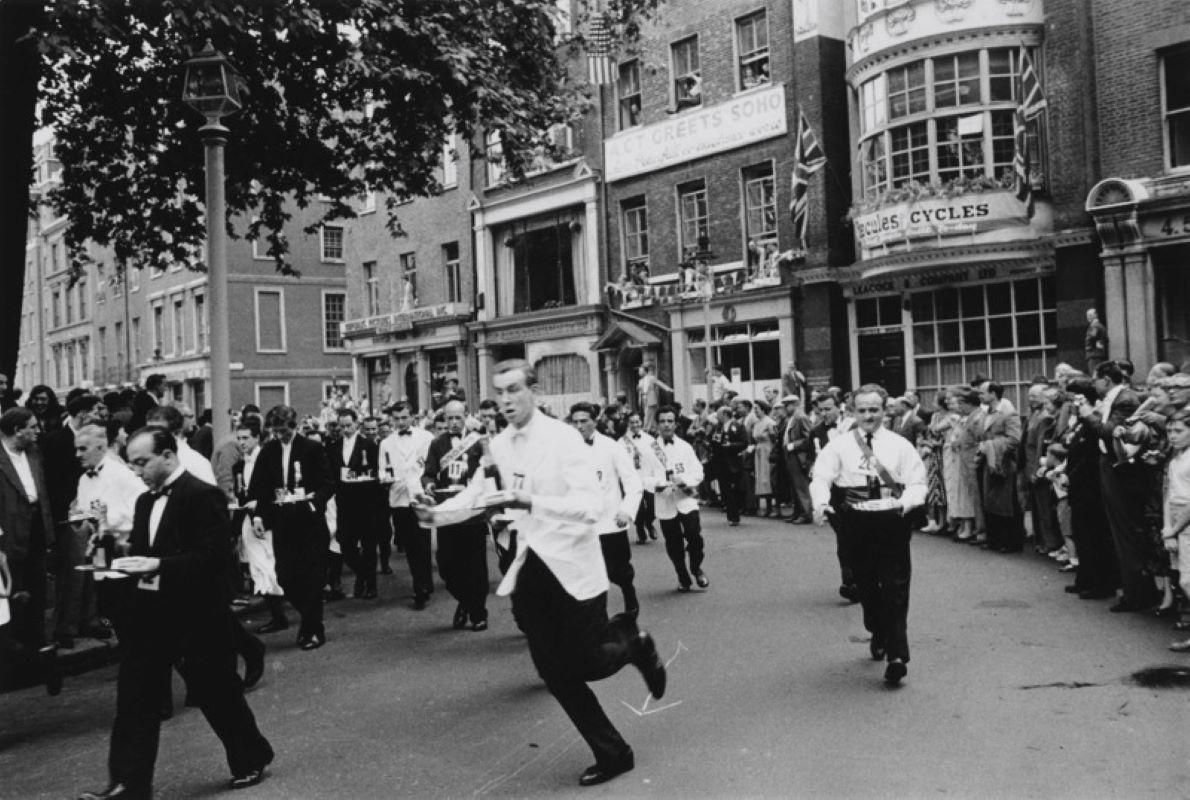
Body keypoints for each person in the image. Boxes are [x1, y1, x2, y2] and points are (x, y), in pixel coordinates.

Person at [413, 360, 666, 787]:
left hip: (572, 565)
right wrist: (434, 514)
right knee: (553, 671)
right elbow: (480, 492)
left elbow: (591, 508)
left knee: (589, 661)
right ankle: (613, 752)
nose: (506, 401)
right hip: (531, 567)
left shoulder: (564, 439)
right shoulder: (499, 444)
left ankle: (633, 642)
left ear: (534, 390)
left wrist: (530, 502)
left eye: (514, 390)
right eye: (499, 393)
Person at [79, 428, 274, 799]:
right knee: (135, 697)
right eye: (132, 463)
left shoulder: (203, 497)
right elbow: (142, 549)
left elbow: (214, 558)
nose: (136, 471)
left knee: (216, 691)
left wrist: (157, 564)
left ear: (168, 456)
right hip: (151, 615)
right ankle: (128, 784)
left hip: (197, 614)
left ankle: (251, 756)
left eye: (142, 462)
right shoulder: (144, 502)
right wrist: (111, 545)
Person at [810, 384, 927, 687]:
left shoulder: (900, 445)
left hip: (891, 519)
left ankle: (898, 656)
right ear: (852, 412)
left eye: (874, 409)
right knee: (866, 584)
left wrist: (906, 502)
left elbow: (917, 482)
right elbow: (821, 476)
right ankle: (877, 629)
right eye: (862, 410)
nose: (868, 415)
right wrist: (822, 504)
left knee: (896, 587)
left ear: (885, 410)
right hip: (856, 521)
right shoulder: (839, 446)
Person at [246, 405, 333, 650]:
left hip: (309, 522)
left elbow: (327, 483)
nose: (279, 435)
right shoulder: (268, 451)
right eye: (275, 431)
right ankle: (309, 620)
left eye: (283, 430)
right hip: (283, 522)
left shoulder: (312, 448)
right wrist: (258, 516)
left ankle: (313, 629)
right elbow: (259, 488)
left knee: (313, 579)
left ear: (293, 426)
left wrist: (314, 502)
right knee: (286, 576)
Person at [1082, 362, 1157, 612]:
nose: (1093, 384)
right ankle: (1130, 589)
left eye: (1095, 380)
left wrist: (1088, 414)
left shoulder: (1125, 400)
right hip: (1109, 467)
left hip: (1120, 472)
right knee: (1118, 531)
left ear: (1106, 379)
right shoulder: (1115, 399)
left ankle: (1137, 594)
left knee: (1125, 531)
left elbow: (1111, 431)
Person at [0, 407, 60, 694]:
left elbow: (42, 490)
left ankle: (37, 657)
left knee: (37, 593)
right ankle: (17, 661)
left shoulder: (34, 453)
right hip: (8, 532)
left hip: (37, 525)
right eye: (32, 427)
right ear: (16, 430)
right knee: (13, 596)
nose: (37, 432)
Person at [569, 402, 643, 617]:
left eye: (584, 421)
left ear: (595, 422)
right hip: (582, 524)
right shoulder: (566, 450)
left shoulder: (611, 446)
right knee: (587, 575)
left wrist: (626, 511)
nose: (579, 426)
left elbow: (633, 483)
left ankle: (629, 593)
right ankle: (597, 618)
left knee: (618, 571)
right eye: (575, 422)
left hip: (610, 522)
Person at [422, 400, 491, 630]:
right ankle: (465, 602)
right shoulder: (437, 444)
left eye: (457, 418)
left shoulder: (477, 441)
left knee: (476, 566)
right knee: (447, 566)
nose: (453, 423)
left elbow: (489, 471)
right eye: (449, 418)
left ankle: (478, 613)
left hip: (472, 513)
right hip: (448, 511)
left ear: (466, 416)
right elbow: (429, 473)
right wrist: (429, 485)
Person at [379, 401, 435, 608]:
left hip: (421, 496)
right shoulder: (386, 443)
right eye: (397, 419)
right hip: (399, 498)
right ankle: (419, 584)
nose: (401, 422)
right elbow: (382, 470)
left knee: (423, 543)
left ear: (412, 417)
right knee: (411, 546)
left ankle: (423, 586)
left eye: (404, 418)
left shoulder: (426, 438)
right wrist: (385, 478)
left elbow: (431, 466)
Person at [325, 408, 382, 599]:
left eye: (349, 425)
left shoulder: (369, 444)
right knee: (345, 544)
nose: (346, 430)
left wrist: (364, 478)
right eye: (342, 426)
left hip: (365, 502)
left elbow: (377, 472)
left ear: (357, 423)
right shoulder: (334, 446)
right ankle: (363, 574)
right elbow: (331, 473)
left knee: (368, 544)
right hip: (344, 502)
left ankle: (370, 584)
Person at [653, 406, 708, 592]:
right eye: (662, 421)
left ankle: (696, 568)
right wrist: (657, 484)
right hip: (665, 501)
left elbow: (698, 472)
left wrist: (684, 481)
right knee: (673, 542)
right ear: (657, 424)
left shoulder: (685, 447)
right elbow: (642, 476)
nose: (666, 425)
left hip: (686, 499)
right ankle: (682, 574)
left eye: (670, 421)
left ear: (676, 424)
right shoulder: (650, 449)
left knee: (695, 538)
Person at [975, 381, 1023, 553]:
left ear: (993, 394)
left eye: (982, 393)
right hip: (988, 462)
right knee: (990, 502)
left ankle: (1011, 541)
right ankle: (994, 538)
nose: (979, 396)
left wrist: (989, 445)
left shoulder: (1009, 413)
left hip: (1004, 464)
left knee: (1005, 503)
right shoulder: (985, 413)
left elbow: (1015, 439)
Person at [621, 412, 661, 543]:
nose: (635, 424)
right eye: (632, 422)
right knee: (638, 507)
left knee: (653, 506)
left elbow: (661, 457)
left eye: (637, 421)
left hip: (649, 478)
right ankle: (640, 529)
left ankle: (649, 523)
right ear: (628, 423)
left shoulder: (650, 439)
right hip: (633, 479)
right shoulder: (621, 442)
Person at [709, 405, 748, 526]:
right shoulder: (717, 427)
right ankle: (731, 515)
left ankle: (736, 513)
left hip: (733, 461)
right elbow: (711, 440)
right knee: (725, 489)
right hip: (720, 462)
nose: (717, 417)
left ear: (725, 414)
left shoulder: (738, 426)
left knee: (735, 489)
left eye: (719, 414)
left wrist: (731, 445)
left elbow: (744, 442)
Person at [781, 396, 813, 524]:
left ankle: (806, 513)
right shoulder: (792, 418)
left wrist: (793, 445)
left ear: (795, 404)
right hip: (791, 455)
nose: (785, 407)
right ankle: (798, 512)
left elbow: (809, 437)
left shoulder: (801, 417)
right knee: (794, 487)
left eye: (787, 405)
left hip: (798, 455)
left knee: (801, 486)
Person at [636, 363, 673, 434]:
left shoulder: (651, 378)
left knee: (648, 414)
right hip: (643, 398)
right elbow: (639, 391)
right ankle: (652, 429)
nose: (639, 373)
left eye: (640, 371)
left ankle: (646, 429)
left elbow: (660, 383)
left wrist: (668, 389)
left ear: (644, 371)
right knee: (646, 414)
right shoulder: (640, 381)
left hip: (650, 398)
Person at [1084, 309, 1108, 374]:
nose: (1088, 317)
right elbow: (1106, 340)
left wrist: (1089, 347)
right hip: (1099, 354)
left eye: (1090, 315)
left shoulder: (1095, 326)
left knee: (1095, 375)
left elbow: (1091, 337)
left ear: (1096, 315)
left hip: (1093, 355)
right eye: (1087, 315)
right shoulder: (1101, 326)